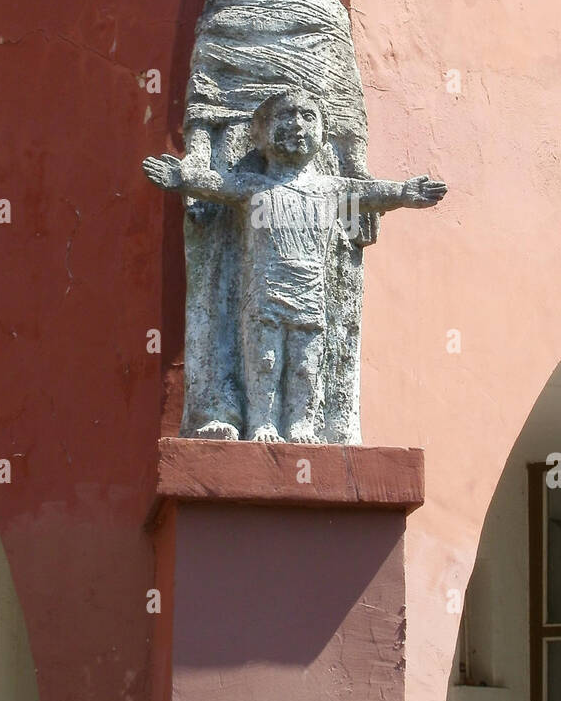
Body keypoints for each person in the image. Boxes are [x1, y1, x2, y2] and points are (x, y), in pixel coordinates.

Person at [176, 0, 374, 442]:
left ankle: (319, 419)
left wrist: (358, 178)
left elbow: (344, 94)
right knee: (219, 279)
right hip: (233, 151)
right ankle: (221, 404)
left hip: (315, 161)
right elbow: (206, 87)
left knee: (319, 294)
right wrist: (195, 158)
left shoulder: (322, 3)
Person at [144, 89, 446, 444]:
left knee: (306, 363)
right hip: (265, 292)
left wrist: (405, 192)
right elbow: (215, 184)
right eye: (285, 116)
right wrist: (181, 178)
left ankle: (301, 423)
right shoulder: (253, 187)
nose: (297, 125)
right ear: (259, 135)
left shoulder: (331, 188)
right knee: (265, 360)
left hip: (310, 291)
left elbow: (371, 192)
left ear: (323, 133)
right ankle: (263, 422)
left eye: (308, 116)